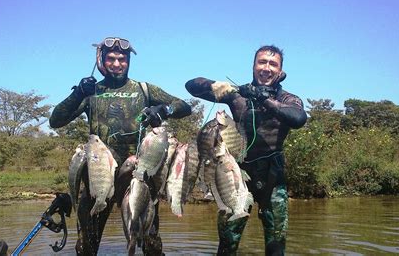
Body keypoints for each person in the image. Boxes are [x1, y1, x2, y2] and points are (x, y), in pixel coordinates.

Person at [49, 37, 191, 255]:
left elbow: (184, 106)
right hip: (98, 177)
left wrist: (164, 110)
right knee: (86, 246)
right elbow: (55, 121)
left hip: (137, 176)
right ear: (102, 61)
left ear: (128, 61)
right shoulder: (91, 92)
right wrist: (78, 93)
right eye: (111, 59)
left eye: (122, 59)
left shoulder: (144, 89)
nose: (117, 64)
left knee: (150, 244)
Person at [185, 45, 307, 255]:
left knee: (276, 246)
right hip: (235, 174)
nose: (266, 68)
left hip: (273, 176)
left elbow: (298, 118)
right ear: (253, 66)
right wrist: (215, 85)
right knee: (226, 245)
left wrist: (263, 98)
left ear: (280, 71)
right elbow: (191, 86)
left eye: (273, 64)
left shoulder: (288, 99)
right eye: (262, 62)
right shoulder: (237, 95)